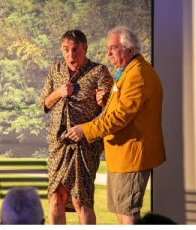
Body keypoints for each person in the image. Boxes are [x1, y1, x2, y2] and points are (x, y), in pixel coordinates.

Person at [65, 26, 165, 224]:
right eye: (107, 48)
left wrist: (85, 129)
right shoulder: (127, 71)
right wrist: (107, 100)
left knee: (127, 215)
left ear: (129, 49)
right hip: (123, 156)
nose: (108, 52)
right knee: (122, 212)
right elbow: (123, 108)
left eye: (113, 47)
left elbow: (119, 117)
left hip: (131, 156)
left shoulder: (138, 75)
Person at [39, 30, 112, 224]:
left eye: (76, 50)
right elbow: (43, 104)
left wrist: (104, 99)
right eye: (66, 50)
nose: (71, 55)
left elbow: (111, 107)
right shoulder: (55, 69)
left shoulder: (99, 71)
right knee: (56, 198)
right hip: (59, 144)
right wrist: (58, 92)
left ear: (85, 49)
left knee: (81, 200)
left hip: (85, 145)